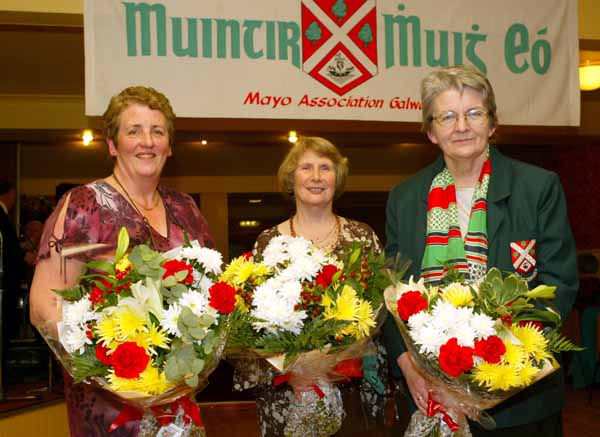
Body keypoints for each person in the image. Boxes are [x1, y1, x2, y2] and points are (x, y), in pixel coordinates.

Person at [382, 65, 578, 436]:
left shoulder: (538, 187)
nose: (462, 126)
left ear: (492, 123)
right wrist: (408, 364)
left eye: (474, 113)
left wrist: (496, 363)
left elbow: (560, 283)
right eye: (448, 116)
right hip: (431, 396)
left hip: (521, 400)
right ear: (431, 131)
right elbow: (392, 290)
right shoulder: (405, 197)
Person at [29, 86, 213, 436]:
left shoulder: (185, 208)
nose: (147, 141)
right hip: (109, 401)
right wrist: (110, 366)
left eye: (157, 131)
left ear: (169, 146)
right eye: (134, 131)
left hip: (177, 396)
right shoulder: (87, 205)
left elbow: (209, 292)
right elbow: (44, 303)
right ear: (112, 144)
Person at [249, 137, 393, 436]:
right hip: (288, 393)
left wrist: (335, 360)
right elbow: (253, 324)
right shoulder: (268, 243)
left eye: (325, 168)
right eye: (306, 167)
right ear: (291, 178)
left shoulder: (362, 237)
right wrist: (296, 371)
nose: (316, 177)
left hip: (353, 390)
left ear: (337, 178)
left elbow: (382, 312)